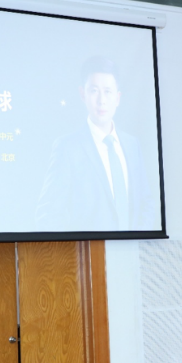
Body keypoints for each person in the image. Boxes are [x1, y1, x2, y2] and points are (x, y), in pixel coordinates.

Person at [35, 56, 157, 232]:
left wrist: (137, 241)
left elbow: (146, 204)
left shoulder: (132, 145)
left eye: (107, 91)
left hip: (132, 248)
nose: (101, 100)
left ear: (118, 98)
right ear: (83, 94)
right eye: (94, 91)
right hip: (88, 249)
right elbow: (48, 215)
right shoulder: (67, 148)